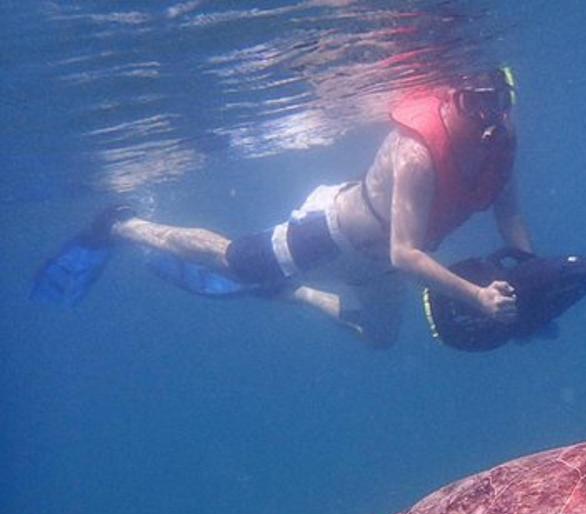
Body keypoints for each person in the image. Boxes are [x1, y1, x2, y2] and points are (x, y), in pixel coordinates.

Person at [33, 67, 533, 348]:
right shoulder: (417, 153)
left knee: (379, 339)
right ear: (450, 99)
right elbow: (406, 254)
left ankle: (298, 295)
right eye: (474, 103)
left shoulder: (500, 143)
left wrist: (529, 272)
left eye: (497, 104)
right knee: (232, 260)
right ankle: (125, 225)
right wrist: (477, 297)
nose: (487, 119)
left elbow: (507, 212)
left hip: (380, 267)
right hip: (329, 235)